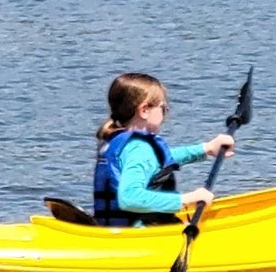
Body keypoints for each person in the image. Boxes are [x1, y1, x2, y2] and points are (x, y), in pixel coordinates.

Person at [91, 72, 239, 227]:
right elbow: (129, 197)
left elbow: (158, 160)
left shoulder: (120, 140)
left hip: (120, 230)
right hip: (141, 236)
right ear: (144, 110)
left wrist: (206, 148)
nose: (166, 113)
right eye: (163, 108)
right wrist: (186, 199)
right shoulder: (139, 149)